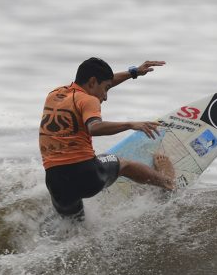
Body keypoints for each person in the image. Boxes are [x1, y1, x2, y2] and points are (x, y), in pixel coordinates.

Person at [39, 57, 176, 219]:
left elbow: (102, 82)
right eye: (105, 89)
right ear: (92, 82)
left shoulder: (54, 95)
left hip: (55, 181)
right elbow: (94, 127)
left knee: (74, 227)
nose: (105, 97)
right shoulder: (89, 101)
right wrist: (130, 124)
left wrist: (133, 73)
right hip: (86, 174)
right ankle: (168, 183)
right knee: (124, 164)